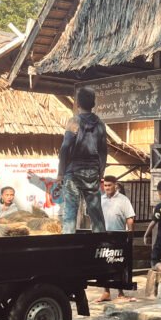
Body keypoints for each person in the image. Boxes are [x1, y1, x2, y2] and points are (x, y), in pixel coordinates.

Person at [56, 87, 107, 235]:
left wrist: (60, 173)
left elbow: (65, 148)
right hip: (92, 172)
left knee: (70, 212)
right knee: (96, 213)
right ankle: (101, 245)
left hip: (73, 172)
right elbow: (103, 151)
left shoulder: (74, 122)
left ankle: (68, 247)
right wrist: (100, 172)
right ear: (94, 103)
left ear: (77, 103)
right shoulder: (100, 124)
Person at [98, 174, 135, 302]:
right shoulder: (100, 199)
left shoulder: (123, 200)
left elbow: (130, 219)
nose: (107, 188)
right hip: (103, 236)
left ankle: (120, 293)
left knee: (118, 264)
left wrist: (130, 235)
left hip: (119, 236)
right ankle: (106, 292)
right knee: (103, 265)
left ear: (115, 185)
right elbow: (95, 217)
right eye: (105, 185)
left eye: (109, 185)